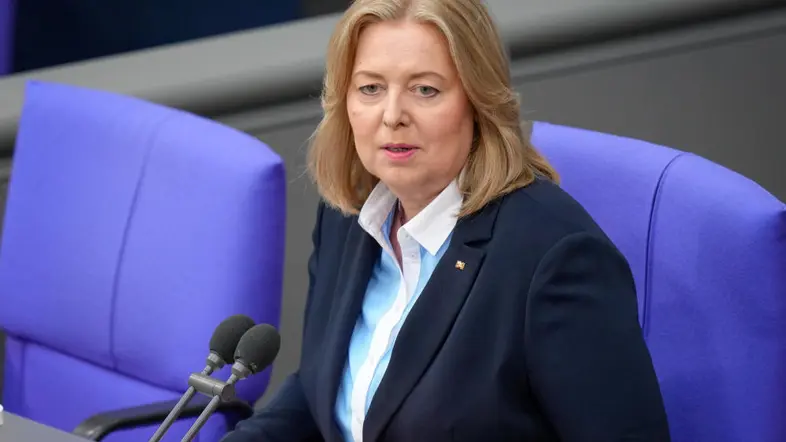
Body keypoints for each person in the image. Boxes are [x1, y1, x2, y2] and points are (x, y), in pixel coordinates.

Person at [222, 0, 671, 440]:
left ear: (478, 101)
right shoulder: (348, 217)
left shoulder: (555, 260)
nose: (393, 116)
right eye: (370, 88)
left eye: (425, 90)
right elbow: (324, 382)